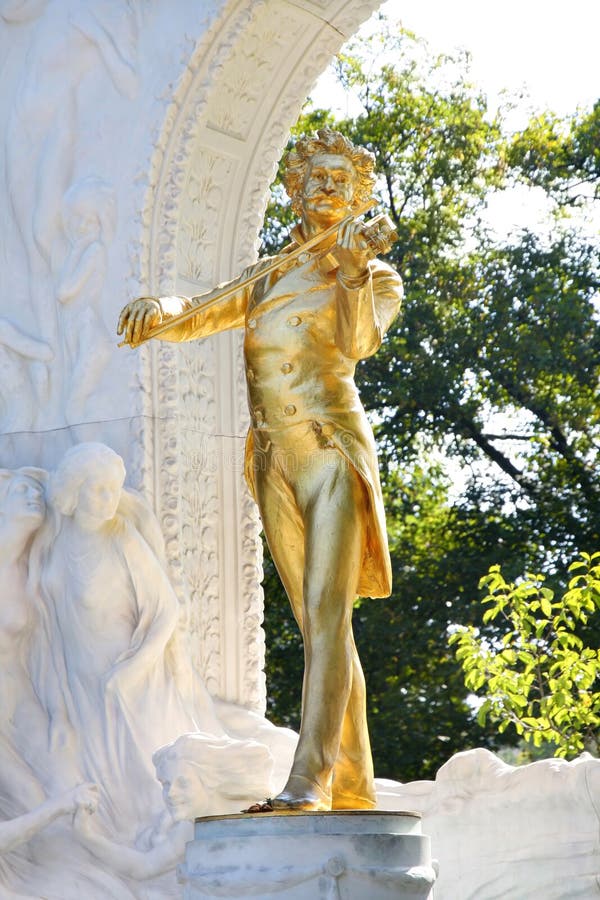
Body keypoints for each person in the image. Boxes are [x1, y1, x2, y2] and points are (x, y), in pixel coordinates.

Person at [117, 128, 403, 812]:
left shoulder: (372, 274)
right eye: (318, 177)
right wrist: (163, 310)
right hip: (274, 456)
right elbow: (204, 309)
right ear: (296, 190)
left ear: (358, 197)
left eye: (343, 179)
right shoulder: (270, 273)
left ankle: (309, 782)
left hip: (330, 448)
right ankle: (356, 785)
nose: (329, 187)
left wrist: (358, 271)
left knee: (329, 617)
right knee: (316, 621)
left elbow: (358, 342)